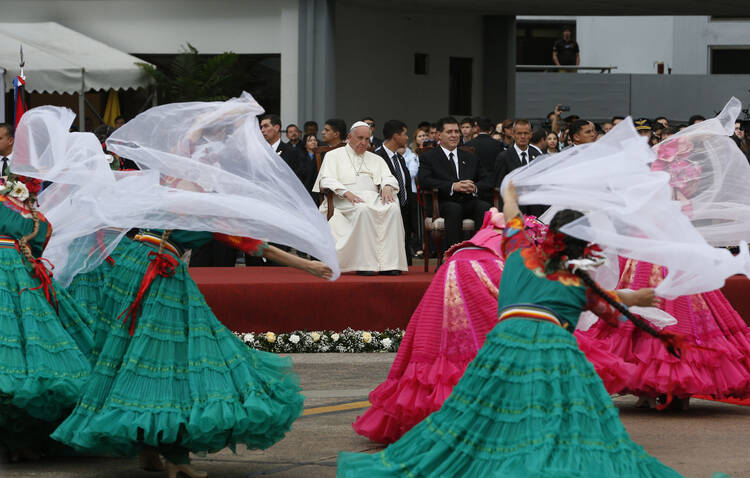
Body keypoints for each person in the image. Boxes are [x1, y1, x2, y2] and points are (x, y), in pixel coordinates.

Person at [337, 184, 683, 477]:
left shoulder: (519, 251)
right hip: (553, 348)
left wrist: (510, 191)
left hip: (502, 342)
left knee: (484, 411)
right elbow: (610, 310)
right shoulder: (578, 279)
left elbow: (512, 214)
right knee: (554, 415)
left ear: (551, 236)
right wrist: (636, 298)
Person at [352, 209, 549, 444]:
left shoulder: (496, 228)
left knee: (435, 343)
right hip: (482, 268)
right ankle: (488, 411)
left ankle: (433, 414)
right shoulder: (530, 239)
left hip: (452, 267)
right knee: (498, 339)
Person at [0, 174, 94, 459]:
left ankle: (19, 439)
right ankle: (20, 440)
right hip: (18, 267)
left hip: (18, 267)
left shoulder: (13, 192)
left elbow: (34, 229)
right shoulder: (15, 195)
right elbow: (37, 230)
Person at [314, 121, 407, 275]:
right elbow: (326, 180)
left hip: (373, 198)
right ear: (349, 137)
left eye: (367, 139)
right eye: (360, 138)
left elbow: (388, 177)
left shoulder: (375, 158)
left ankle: (390, 265)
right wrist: (346, 192)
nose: (364, 143)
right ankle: (365, 265)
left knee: (392, 208)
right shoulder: (333, 155)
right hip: (344, 200)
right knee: (363, 210)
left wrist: (387, 186)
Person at [417, 117, 491, 248]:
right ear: (439, 135)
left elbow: (487, 180)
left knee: (484, 207)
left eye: (457, 132)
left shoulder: (470, 156)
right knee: (454, 209)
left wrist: (475, 187)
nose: (454, 135)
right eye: (449, 132)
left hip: (467, 201)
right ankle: (454, 255)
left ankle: (479, 252)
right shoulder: (428, 157)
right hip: (442, 202)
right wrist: (452, 186)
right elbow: (424, 181)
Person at [374, 120, 413, 266]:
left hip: (404, 208)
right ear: (395, 136)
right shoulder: (377, 157)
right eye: (405, 134)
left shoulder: (400, 158)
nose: (407, 138)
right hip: (386, 208)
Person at [487, 119, 540, 212]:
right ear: (513, 134)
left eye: (526, 133)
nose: (523, 136)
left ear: (531, 135)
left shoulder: (537, 155)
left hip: (534, 204)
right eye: (519, 133)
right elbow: (498, 186)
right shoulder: (504, 157)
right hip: (513, 204)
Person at [465, 117, 505, 187]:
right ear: (491, 129)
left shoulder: (469, 144)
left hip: (475, 183)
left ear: (477, 128)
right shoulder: (498, 144)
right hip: (493, 183)